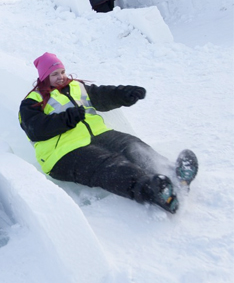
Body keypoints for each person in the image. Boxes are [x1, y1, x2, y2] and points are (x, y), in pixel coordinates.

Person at [18, 53, 199, 214]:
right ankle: (151, 190)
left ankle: (172, 174)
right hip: (63, 153)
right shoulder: (32, 101)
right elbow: (35, 129)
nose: (60, 77)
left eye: (62, 72)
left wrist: (124, 94)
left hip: (99, 135)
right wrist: (67, 119)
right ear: (44, 77)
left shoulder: (76, 87)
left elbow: (102, 95)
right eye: (54, 74)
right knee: (109, 164)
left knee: (131, 145)